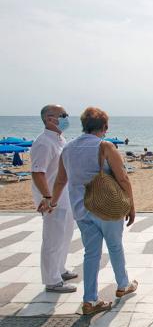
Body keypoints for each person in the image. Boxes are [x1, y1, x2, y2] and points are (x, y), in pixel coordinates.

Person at [39, 107, 137, 315]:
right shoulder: (106, 147)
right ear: (104, 127)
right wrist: (131, 204)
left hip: (81, 209)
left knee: (91, 254)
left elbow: (61, 180)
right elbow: (122, 178)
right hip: (108, 208)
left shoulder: (68, 148)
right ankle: (123, 285)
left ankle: (90, 300)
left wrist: (52, 203)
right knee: (115, 247)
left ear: (84, 125)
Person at [31, 104, 78, 293]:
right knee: (52, 237)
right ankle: (52, 280)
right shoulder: (43, 142)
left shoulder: (59, 139)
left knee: (65, 234)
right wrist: (47, 196)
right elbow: (37, 172)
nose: (67, 118)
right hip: (52, 198)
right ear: (50, 119)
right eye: (63, 115)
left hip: (64, 195)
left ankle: (60, 269)